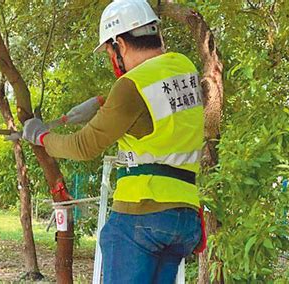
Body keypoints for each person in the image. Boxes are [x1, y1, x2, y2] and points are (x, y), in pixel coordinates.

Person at [22, 0, 206, 283]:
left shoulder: (131, 85)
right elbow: (157, 115)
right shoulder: (184, 67)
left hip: (141, 215)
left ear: (119, 43)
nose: (111, 60)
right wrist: (101, 105)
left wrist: (41, 136)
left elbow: (84, 146)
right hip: (183, 218)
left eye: (109, 51)